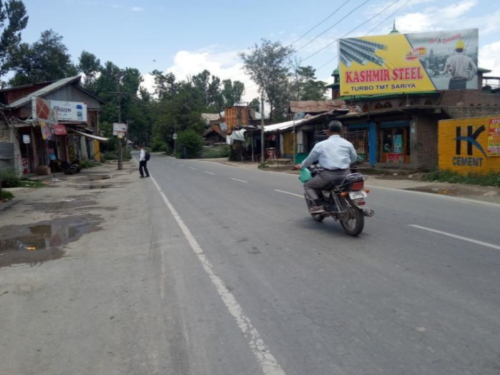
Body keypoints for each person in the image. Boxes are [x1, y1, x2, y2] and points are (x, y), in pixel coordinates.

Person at [294, 121, 357, 214]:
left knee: (308, 186)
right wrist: (345, 163)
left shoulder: (321, 145)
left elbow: (309, 159)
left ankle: (318, 205)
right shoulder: (348, 144)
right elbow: (354, 158)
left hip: (329, 175)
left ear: (328, 131)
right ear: (341, 131)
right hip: (346, 174)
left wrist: (301, 165)